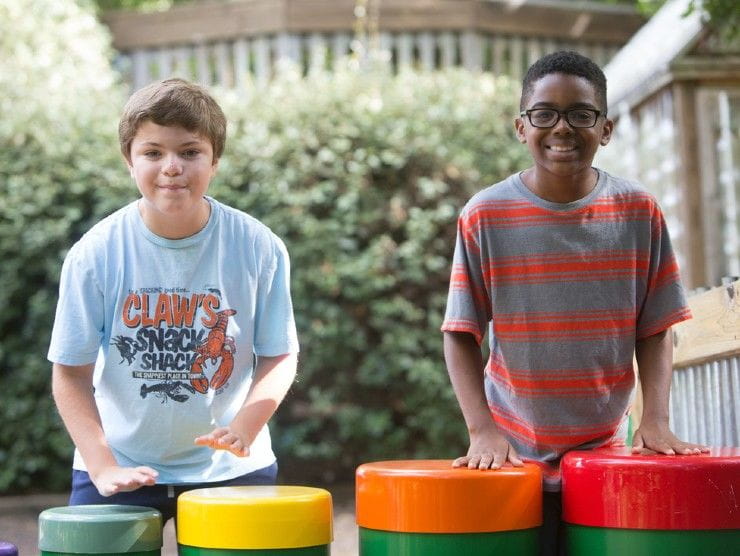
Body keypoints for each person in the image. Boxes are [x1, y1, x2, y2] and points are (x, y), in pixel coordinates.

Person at [441, 51, 708, 555]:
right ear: (521, 127)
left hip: (608, 459)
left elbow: (656, 327)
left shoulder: (638, 212)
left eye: (581, 114)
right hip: (511, 461)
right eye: (544, 113)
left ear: (605, 128)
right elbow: (460, 332)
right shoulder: (485, 215)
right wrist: (482, 431)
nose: (561, 127)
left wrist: (656, 419)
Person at [48, 78, 299, 524]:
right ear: (129, 161)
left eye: (189, 152)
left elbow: (279, 355)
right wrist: (103, 465)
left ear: (215, 160)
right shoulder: (96, 253)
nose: (171, 167)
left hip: (233, 469)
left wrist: (246, 426)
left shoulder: (259, 247)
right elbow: (69, 372)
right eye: (152, 152)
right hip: (116, 464)